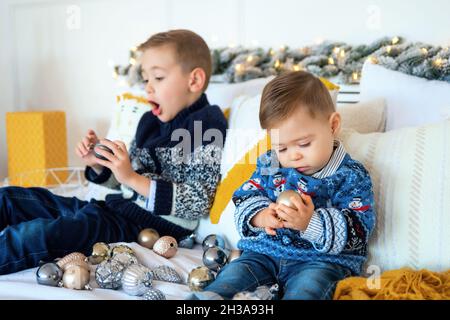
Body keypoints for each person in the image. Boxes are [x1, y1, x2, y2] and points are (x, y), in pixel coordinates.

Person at [0, 29, 227, 275]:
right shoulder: (150, 123)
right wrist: (100, 164)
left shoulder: (203, 127)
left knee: (34, 235)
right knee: (11, 199)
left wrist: (130, 177)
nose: (148, 89)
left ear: (194, 80)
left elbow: (199, 200)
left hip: (140, 227)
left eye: (158, 78)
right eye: (145, 79)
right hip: (111, 209)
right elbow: (125, 183)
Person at [192, 71, 375, 300]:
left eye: (304, 144)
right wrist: (260, 216)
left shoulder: (350, 176)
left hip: (320, 262)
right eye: (282, 148)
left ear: (333, 125)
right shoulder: (271, 163)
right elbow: (247, 194)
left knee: (309, 290)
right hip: (262, 255)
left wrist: (311, 223)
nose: (293, 156)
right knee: (229, 280)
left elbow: (360, 228)